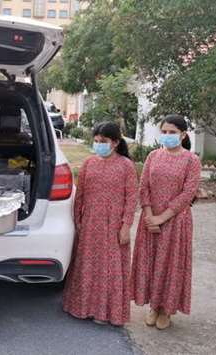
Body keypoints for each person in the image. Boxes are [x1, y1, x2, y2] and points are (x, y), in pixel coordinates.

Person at [62, 122, 137, 327]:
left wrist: (125, 226)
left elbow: (131, 198)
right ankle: (84, 307)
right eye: (95, 141)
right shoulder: (88, 163)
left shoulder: (126, 166)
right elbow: (81, 194)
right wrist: (77, 221)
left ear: (115, 142)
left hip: (114, 225)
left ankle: (106, 312)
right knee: (88, 265)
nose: (98, 145)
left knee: (109, 268)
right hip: (90, 223)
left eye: (103, 142)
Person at [131, 114, 201, 330]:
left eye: (172, 132)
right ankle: (153, 306)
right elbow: (143, 187)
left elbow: (188, 193)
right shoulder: (153, 156)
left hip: (175, 221)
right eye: (165, 132)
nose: (168, 136)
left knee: (170, 265)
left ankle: (166, 309)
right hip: (150, 219)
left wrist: (162, 218)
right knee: (151, 263)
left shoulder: (192, 160)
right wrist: (150, 215)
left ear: (183, 135)